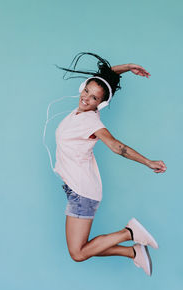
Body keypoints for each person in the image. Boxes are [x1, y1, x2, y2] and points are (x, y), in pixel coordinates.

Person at [53, 52, 167, 276]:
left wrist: (148, 162)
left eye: (94, 98)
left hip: (82, 191)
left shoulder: (90, 121)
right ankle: (134, 253)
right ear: (83, 88)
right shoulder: (79, 112)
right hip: (77, 189)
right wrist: (128, 66)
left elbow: (117, 146)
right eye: (87, 91)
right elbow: (105, 77)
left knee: (77, 253)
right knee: (81, 249)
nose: (87, 98)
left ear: (101, 104)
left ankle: (129, 233)